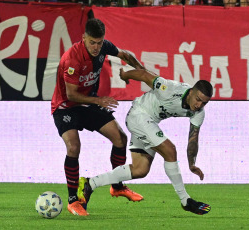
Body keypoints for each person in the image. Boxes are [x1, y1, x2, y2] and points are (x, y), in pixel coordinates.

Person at [78, 68, 213, 215]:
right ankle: (185, 200)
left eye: (204, 103)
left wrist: (192, 163)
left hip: (149, 123)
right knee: (170, 150)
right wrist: (124, 75)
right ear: (191, 91)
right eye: (198, 99)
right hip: (138, 115)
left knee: (140, 169)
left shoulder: (198, 112)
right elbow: (143, 75)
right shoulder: (170, 89)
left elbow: (193, 139)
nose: (199, 105)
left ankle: (90, 184)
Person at [51, 18, 145, 216]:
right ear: (83, 37)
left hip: (88, 103)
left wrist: (141, 71)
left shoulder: (104, 47)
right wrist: (100, 100)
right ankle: (72, 200)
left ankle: (117, 186)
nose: (95, 47)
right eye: (92, 42)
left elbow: (126, 55)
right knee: (73, 147)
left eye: (99, 43)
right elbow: (71, 95)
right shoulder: (72, 59)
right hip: (65, 107)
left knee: (120, 138)